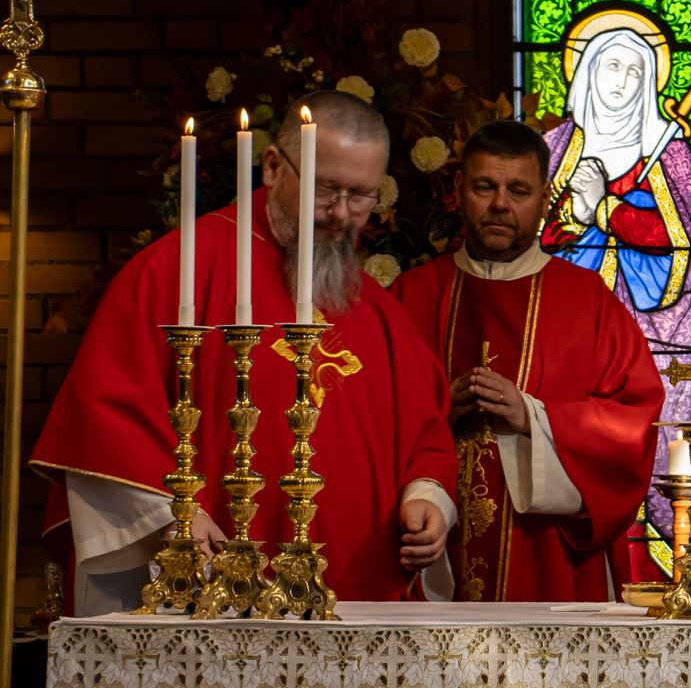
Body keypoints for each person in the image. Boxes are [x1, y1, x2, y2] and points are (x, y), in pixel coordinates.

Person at [31, 90, 458, 611]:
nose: (341, 214)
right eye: (325, 190)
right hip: (212, 591)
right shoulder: (178, 269)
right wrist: (175, 514)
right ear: (275, 166)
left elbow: (426, 428)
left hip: (357, 595)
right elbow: (103, 415)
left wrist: (426, 498)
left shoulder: (371, 304)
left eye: (361, 196)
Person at [393, 120, 664, 602]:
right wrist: (440, 414)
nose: (501, 204)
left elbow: (634, 423)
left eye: (518, 190)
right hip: (427, 548)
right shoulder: (411, 297)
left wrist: (535, 418)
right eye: (485, 187)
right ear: (459, 190)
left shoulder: (588, 303)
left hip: (547, 557)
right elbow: (369, 423)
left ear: (543, 199)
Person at [543, 18, 691, 577]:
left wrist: (604, 210)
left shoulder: (673, 153)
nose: (624, 80)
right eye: (612, 65)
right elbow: (536, 241)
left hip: (655, 340)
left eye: (637, 70)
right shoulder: (554, 148)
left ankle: (668, 575)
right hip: (568, 342)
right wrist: (573, 217)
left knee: (657, 467)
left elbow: (689, 247)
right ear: (587, 71)